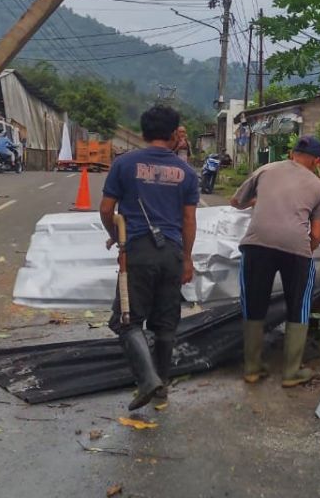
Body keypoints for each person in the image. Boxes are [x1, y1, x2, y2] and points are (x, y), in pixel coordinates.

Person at [99, 104, 198, 410]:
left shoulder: (124, 163)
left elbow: (105, 209)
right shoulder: (187, 172)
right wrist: (187, 259)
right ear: (173, 134)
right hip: (171, 252)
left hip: (137, 252)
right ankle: (162, 387)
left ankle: (146, 380)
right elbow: (188, 220)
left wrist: (117, 238)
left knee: (127, 321)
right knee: (166, 324)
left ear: (142, 133)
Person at [230, 135, 320, 387]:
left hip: (256, 244)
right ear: (318, 161)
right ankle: (291, 372)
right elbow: (316, 234)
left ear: (291, 154)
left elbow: (236, 202)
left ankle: (252, 368)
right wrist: (302, 248)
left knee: (254, 302)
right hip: (296, 248)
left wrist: (259, 200)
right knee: (299, 304)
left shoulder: (266, 169)